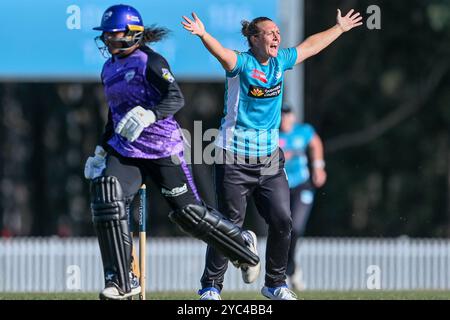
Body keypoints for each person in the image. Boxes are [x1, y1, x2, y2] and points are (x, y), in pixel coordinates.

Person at [182, 9, 362, 300]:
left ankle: (275, 283)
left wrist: (339, 28)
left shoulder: (280, 61)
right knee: (228, 224)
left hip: (269, 160)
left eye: (278, 32)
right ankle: (211, 287)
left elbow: (310, 46)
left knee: (282, 220)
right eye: (269, 32)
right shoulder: (242, 63)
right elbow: (223, 54)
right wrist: (204, 34)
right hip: (234, 157)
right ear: (254, 39)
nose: (276, 36)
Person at [85, 4, 260, 300]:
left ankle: (241, 244)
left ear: (131, 34)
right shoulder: (109, 68)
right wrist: (101, 150)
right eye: (106, 36)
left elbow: (175, 97)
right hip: (126, 150)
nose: (108, 41)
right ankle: (122, 279)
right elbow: (113, 116)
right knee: (107, 195)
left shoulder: (149, 62)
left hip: (162, 149)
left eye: (113, 35)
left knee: (188, 215)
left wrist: (149, 115)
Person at [279, 104, 327, 290]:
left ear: (293, 117)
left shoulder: (303, 131)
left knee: (296, 227)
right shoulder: (274, 135)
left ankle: (290, 267)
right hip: (281, 186)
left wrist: (319, 166)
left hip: (302, 184)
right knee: (283, 226)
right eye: (281, 117)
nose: (284, 120)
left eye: (287, 116)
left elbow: (316, 143)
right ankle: (291, 268)